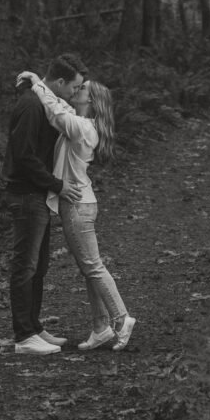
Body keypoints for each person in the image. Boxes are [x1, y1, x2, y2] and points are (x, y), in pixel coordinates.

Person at [18, 71, 136, 353]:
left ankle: (122, 318)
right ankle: (100, 328)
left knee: (93, 267)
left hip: (78, 206)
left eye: (82, 88)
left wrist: (37, 84)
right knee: (89, 268)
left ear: (90, 99)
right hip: (82, 203)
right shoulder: (83, 122)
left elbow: (56, 114)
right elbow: (62, 108)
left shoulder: (82, 127)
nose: (76, 90)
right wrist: (40, 79)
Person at [2, 52, 88, 355]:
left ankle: (34, 327)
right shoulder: (31, 107)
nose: (75, 94)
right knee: (25, 265)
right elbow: (23, 156)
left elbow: (61, 108)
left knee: (39, 264)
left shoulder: (44, 101)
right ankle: (23, 336)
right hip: (26, 194)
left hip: (38, 194)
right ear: (61, 81)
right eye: (74, 88)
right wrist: (57, 185)